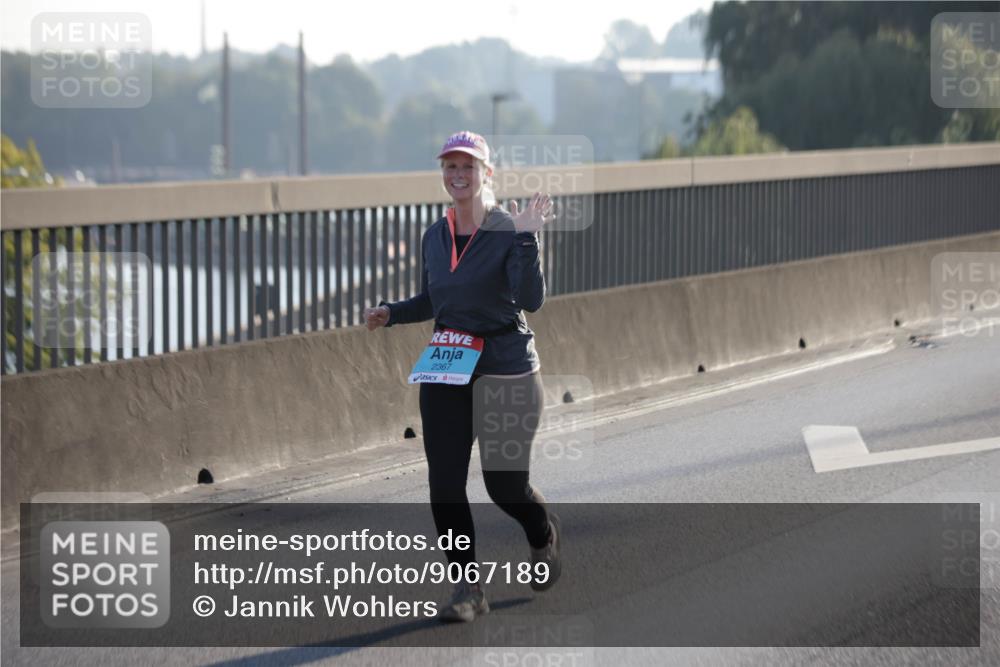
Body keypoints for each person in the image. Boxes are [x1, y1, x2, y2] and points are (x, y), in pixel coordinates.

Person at [363, 130, 560, 623]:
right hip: (449, 362)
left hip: (505, 367)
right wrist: (392, 312)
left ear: (486, 174)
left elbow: (531, 299)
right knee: (444, 484)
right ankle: (468, 588)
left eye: (468, 167)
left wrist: (527, 236)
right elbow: (435, 299)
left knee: (504, 487)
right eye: (450, 167)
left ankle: (542, 533)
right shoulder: (435, 235)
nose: (458, 175)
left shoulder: (509, 227)